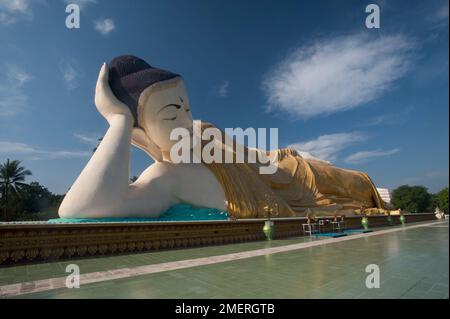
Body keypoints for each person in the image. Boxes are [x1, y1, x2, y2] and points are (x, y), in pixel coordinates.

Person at [59, 55, 388, 219]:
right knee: (360, 193)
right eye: (171, 115)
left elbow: (248, 152)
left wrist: (296, 157)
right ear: (140, 134)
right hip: (290, 204)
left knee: (359, 182)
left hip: (287, 169)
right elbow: (82, 208)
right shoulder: (166, 178)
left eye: (186, 108)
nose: (186, 121)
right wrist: (119, 120)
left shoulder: (201, 129)